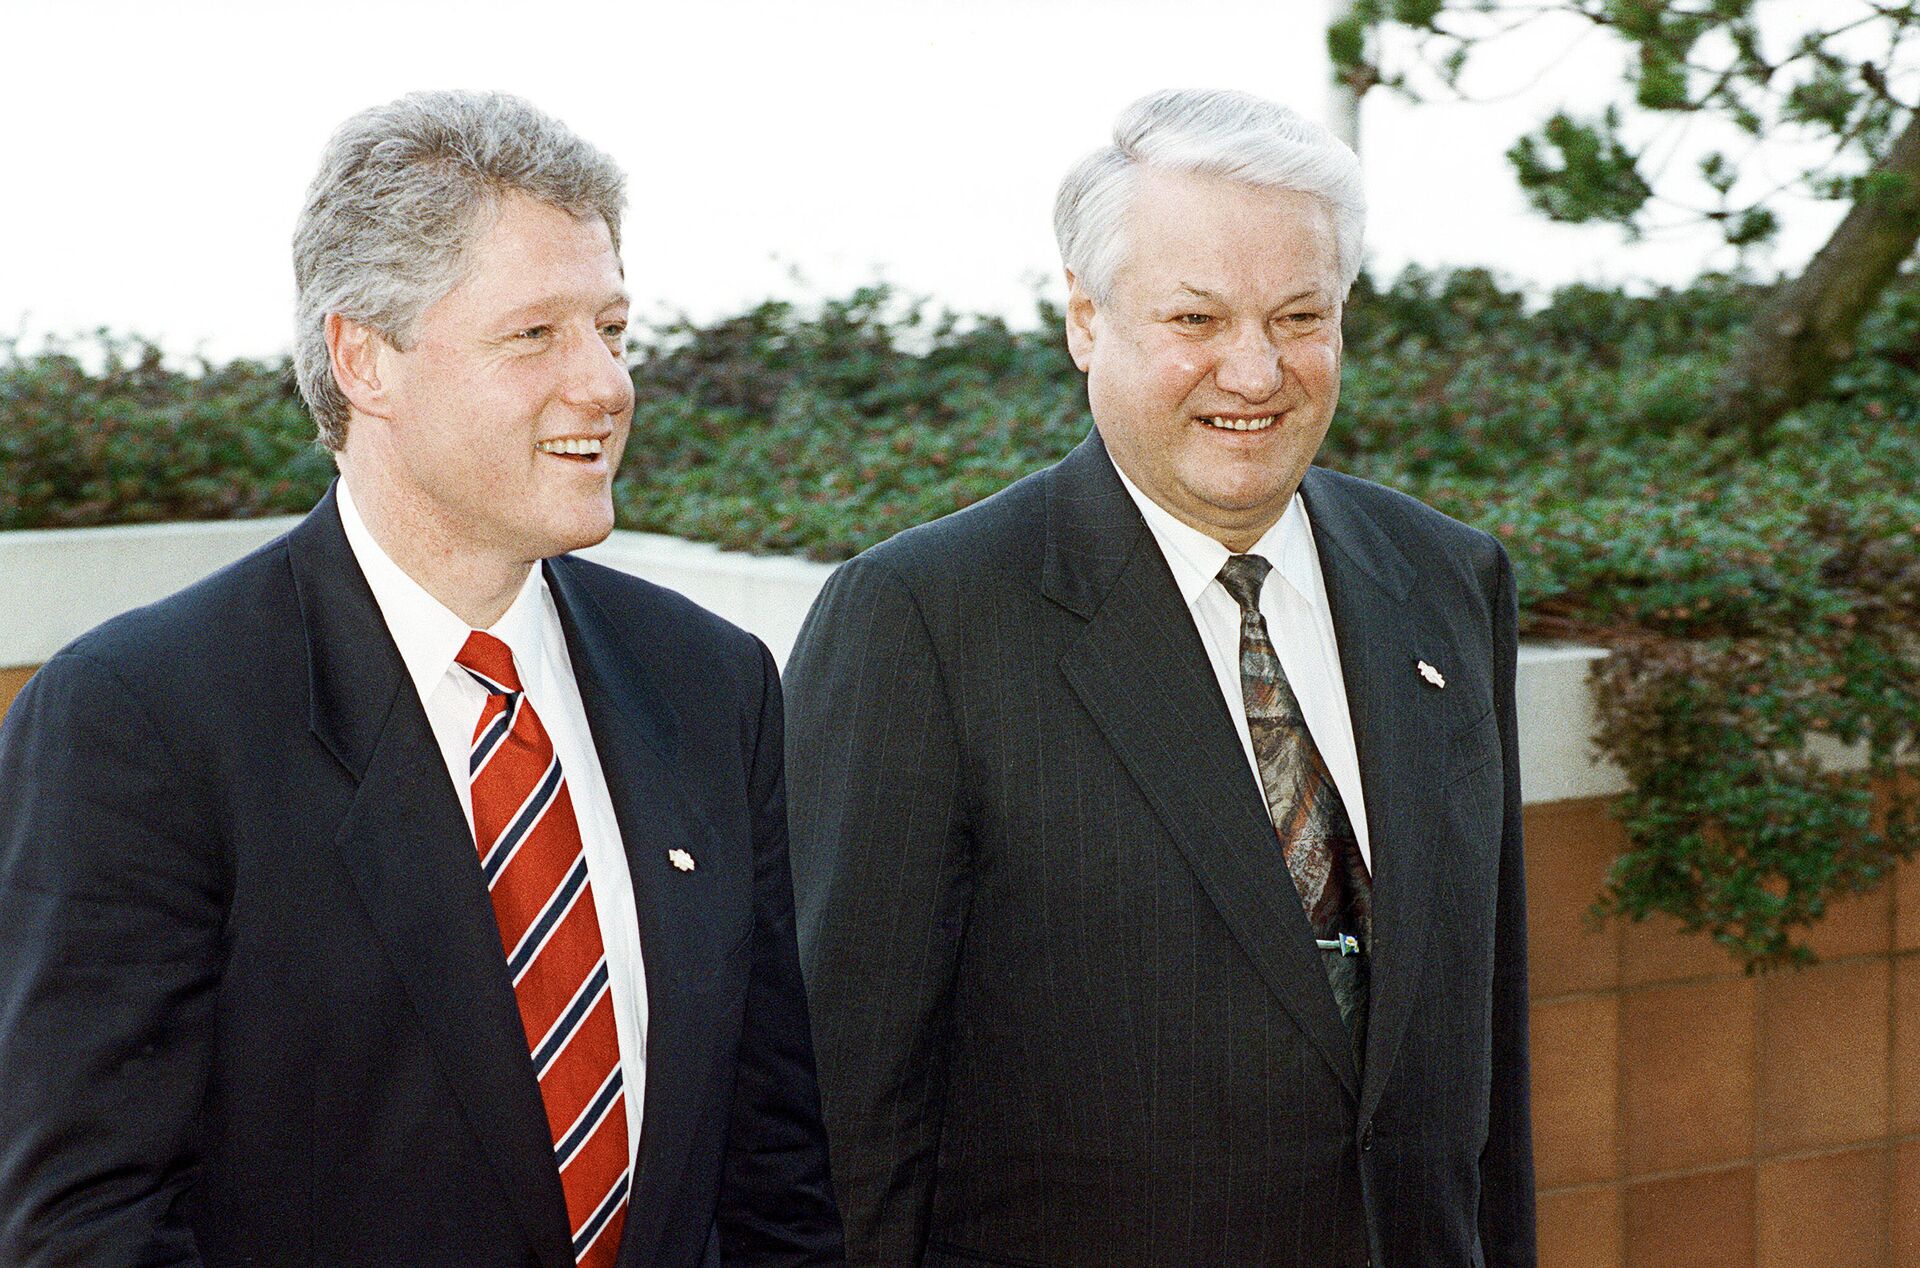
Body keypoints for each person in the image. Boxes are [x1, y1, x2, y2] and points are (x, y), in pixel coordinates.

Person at [0, 91, 842, 1267]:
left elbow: (778, 1177)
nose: (605, 385)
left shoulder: (711, 682)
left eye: (614, 328)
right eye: (535, 334)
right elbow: (87, 1222)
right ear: (365, 358)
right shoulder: (140, 719)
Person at [784, 88, 1535, 1267]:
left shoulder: (1446, 581)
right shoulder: (921, 622)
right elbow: (844, 1112)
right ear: (1085, 319)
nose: (1256, 369)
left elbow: (1483, 1055)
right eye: (1197, 316)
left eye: (1300, 314)